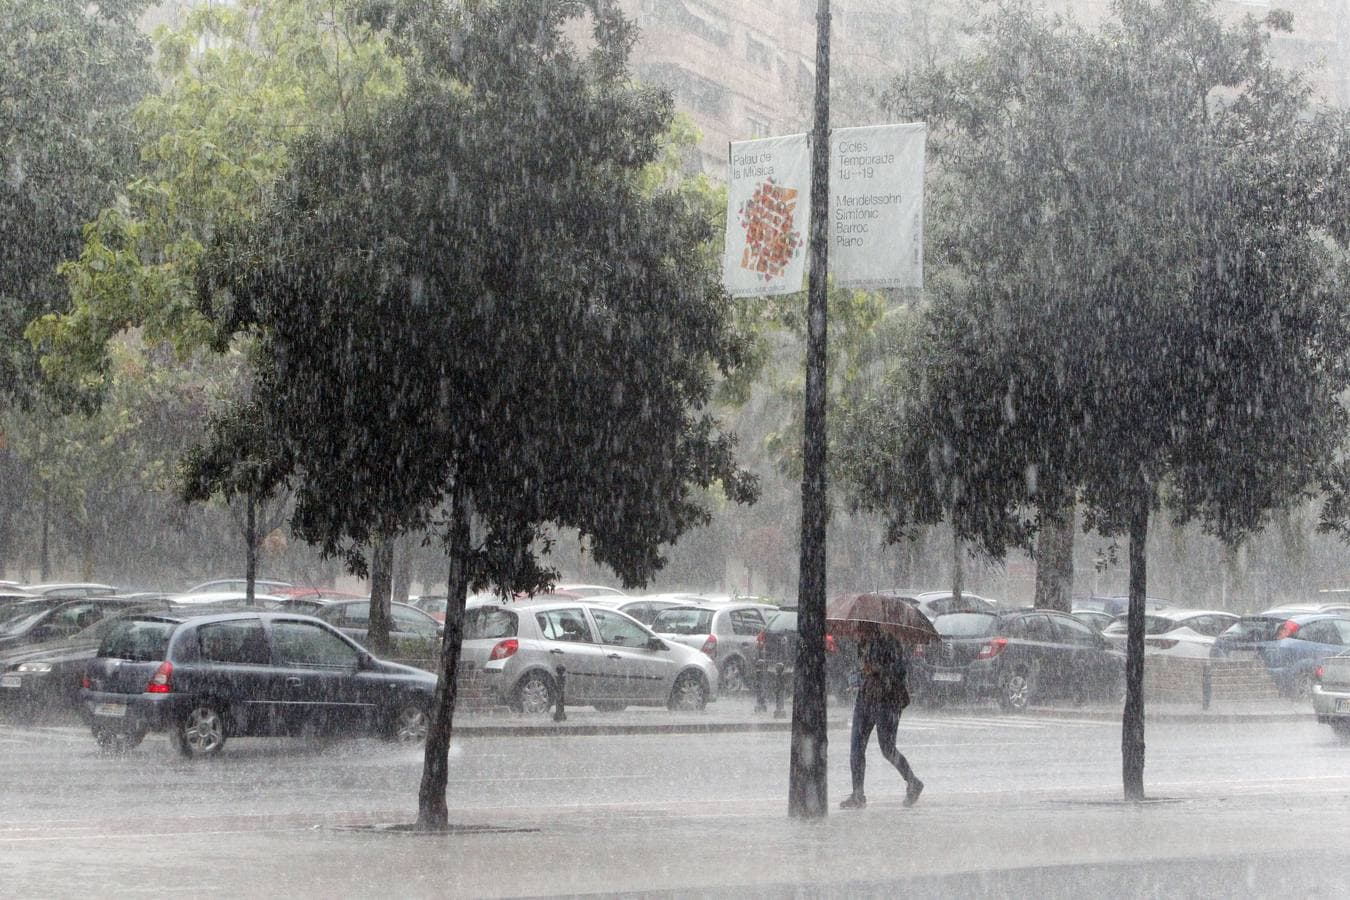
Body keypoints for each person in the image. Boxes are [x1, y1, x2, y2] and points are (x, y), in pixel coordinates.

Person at [840, 622, 923, 810]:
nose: (856, 632)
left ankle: (913, 782)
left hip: (887, 700)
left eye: (859, 628)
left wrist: (877, 671)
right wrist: (858, 678)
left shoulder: (889, 643)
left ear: (869, 628)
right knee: (856, 748)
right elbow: (862, 670)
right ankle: (858, 794)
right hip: (866, 698)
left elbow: (899, 672)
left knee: (887, 748)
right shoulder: (862, 644)